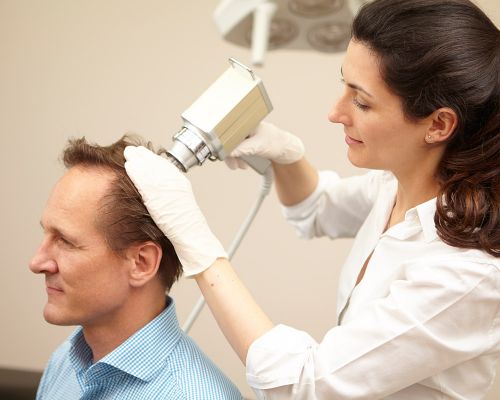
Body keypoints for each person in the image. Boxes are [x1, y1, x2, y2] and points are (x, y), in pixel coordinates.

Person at [124, 0, 500, 398]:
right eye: (344, 86)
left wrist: (195, 242)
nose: (335, 113)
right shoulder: (400, 186)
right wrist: (287, 154)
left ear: (438, 124)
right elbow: (318, 207)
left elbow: (303, 383)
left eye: (362, 101)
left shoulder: (469, 274)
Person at [29, 135, 243, 400]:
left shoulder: (192, 395)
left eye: (66, 241)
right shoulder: (65, 362)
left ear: (142, 263)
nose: (37, 262)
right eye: (47, 235)